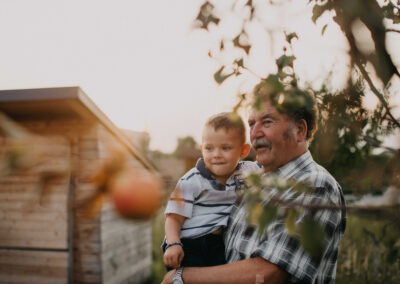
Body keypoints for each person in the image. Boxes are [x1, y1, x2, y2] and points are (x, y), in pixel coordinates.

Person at [162, 82, 347, 284]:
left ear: (299, 130)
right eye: (251, 124)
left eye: (267, 122)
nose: (255, 132)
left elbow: (270, 274)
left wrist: (180, 277)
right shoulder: (250, 179)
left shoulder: (315, 184)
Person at [162, 112, 261, 272]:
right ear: (202, 149)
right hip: (190, 244)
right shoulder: (191, 180)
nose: (216, 154)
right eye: (209, 148)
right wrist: (173, 244)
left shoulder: (247, 172)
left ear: (243, 151)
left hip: (220, 244)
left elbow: (271, 170)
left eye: (225, 148)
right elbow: (174, 218)